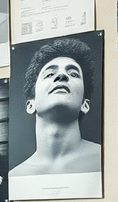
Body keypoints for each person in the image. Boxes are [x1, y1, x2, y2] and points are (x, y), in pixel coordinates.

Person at [9, 37, 100, 177]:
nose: (62, 75)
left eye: (73, 74)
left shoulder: (105, 159)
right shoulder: (16, 176)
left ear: (85, 104)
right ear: (30, 104)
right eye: (50, 74)